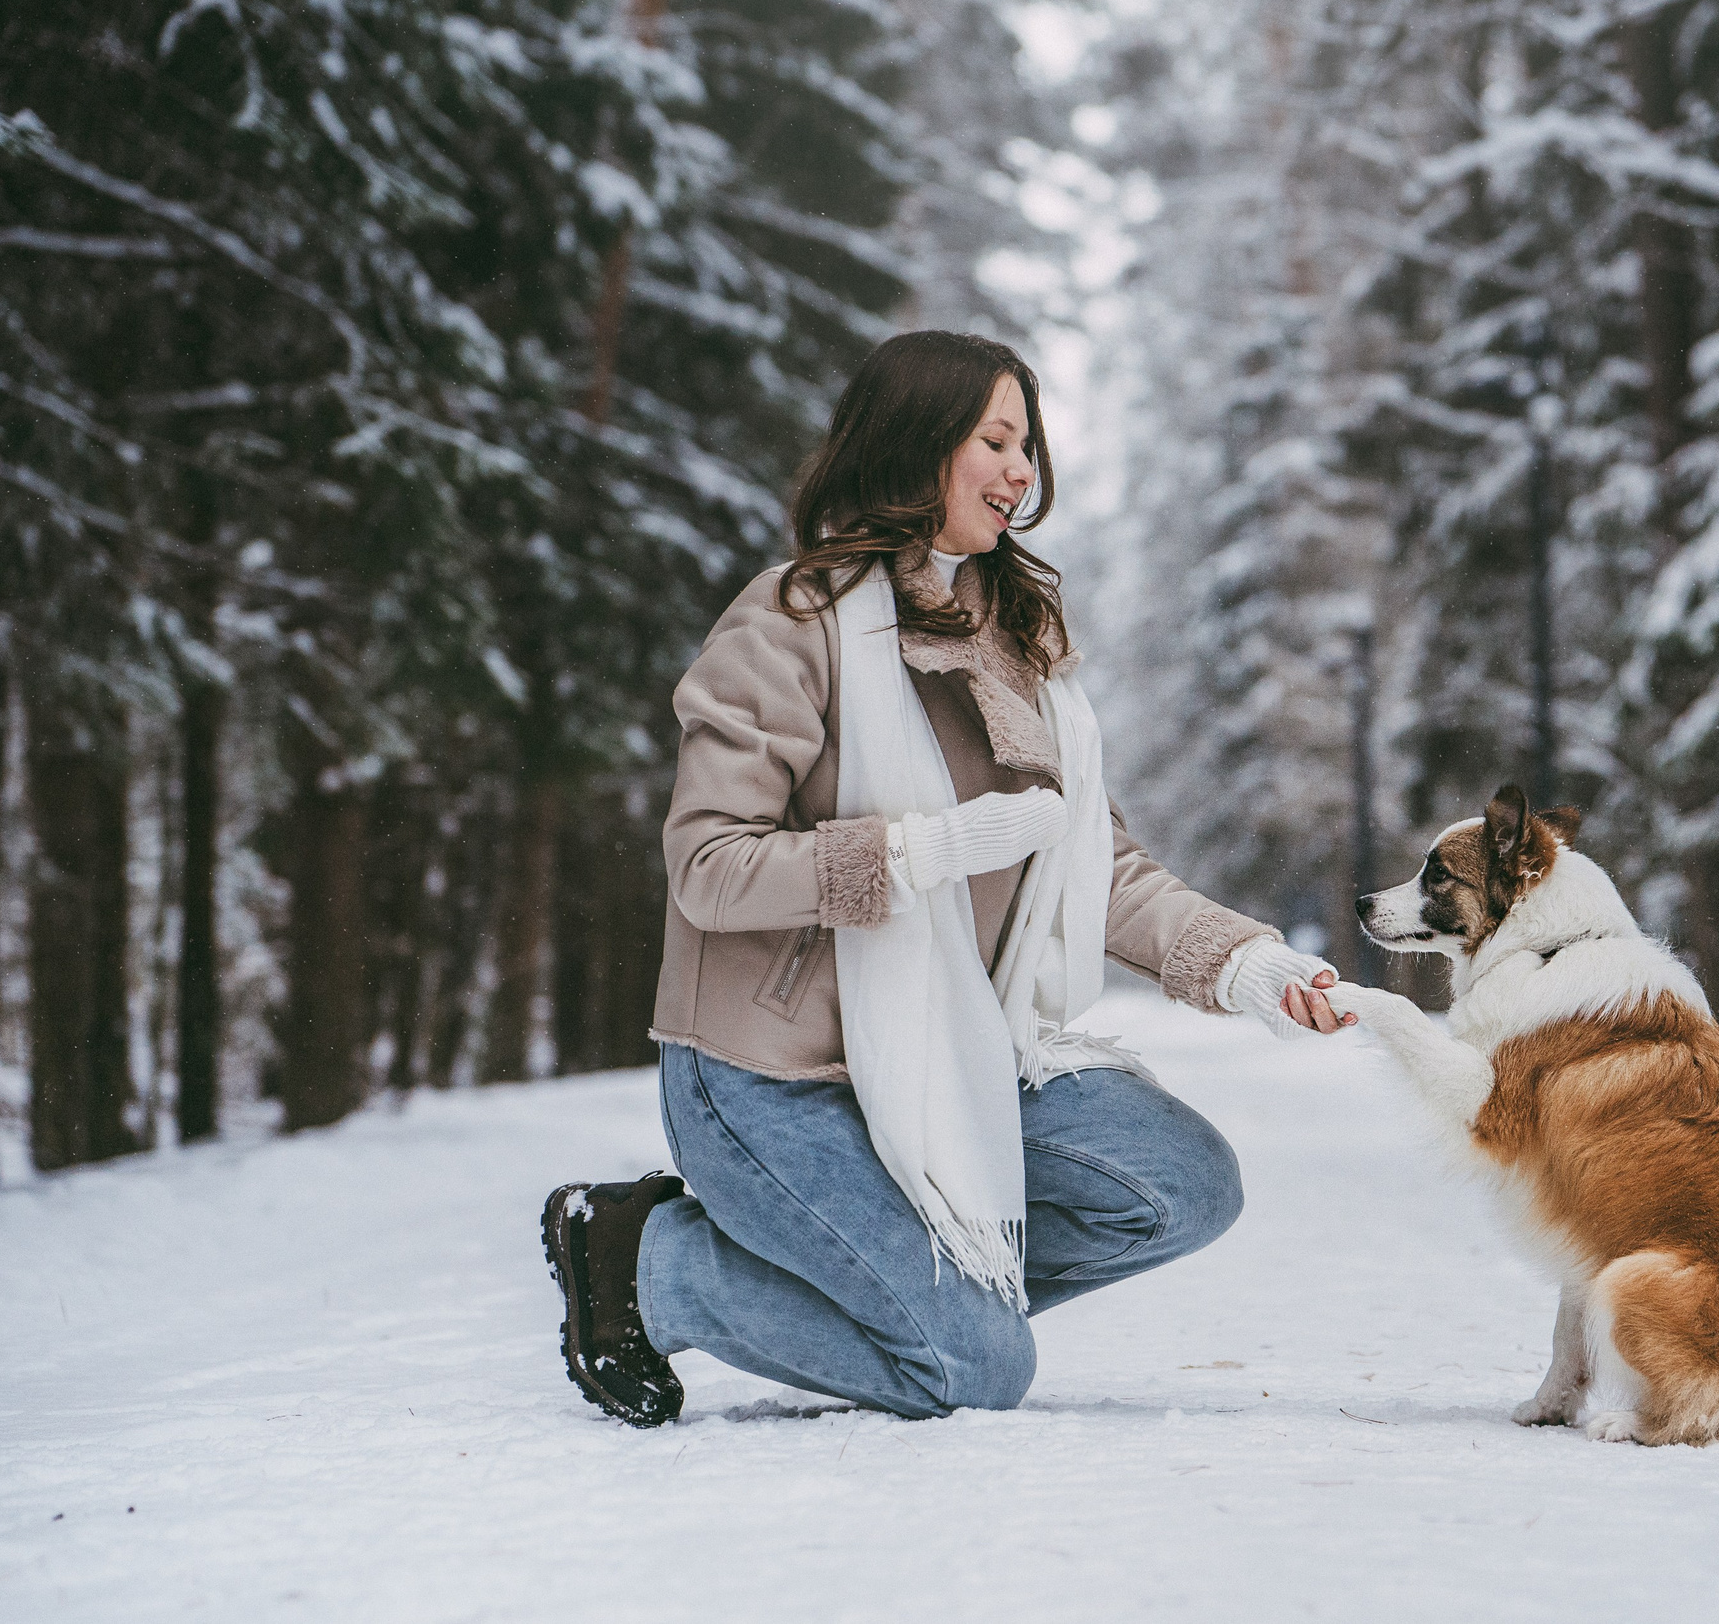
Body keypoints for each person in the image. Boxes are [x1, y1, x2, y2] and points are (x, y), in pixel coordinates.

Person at [541, 331, 1353, 1426]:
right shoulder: (792, 622)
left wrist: (1248, 963)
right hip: (772, 1080)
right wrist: (915, 852)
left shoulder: (1015, 642)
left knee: (1182, 1184)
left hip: (957, 1048)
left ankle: (921, 1306)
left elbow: (1094, 863)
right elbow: (710, 871)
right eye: (994, 439)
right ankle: (651, 1263)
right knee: (974, 1372)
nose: (1021, 472)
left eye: (1029, 445)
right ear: (915, 442)